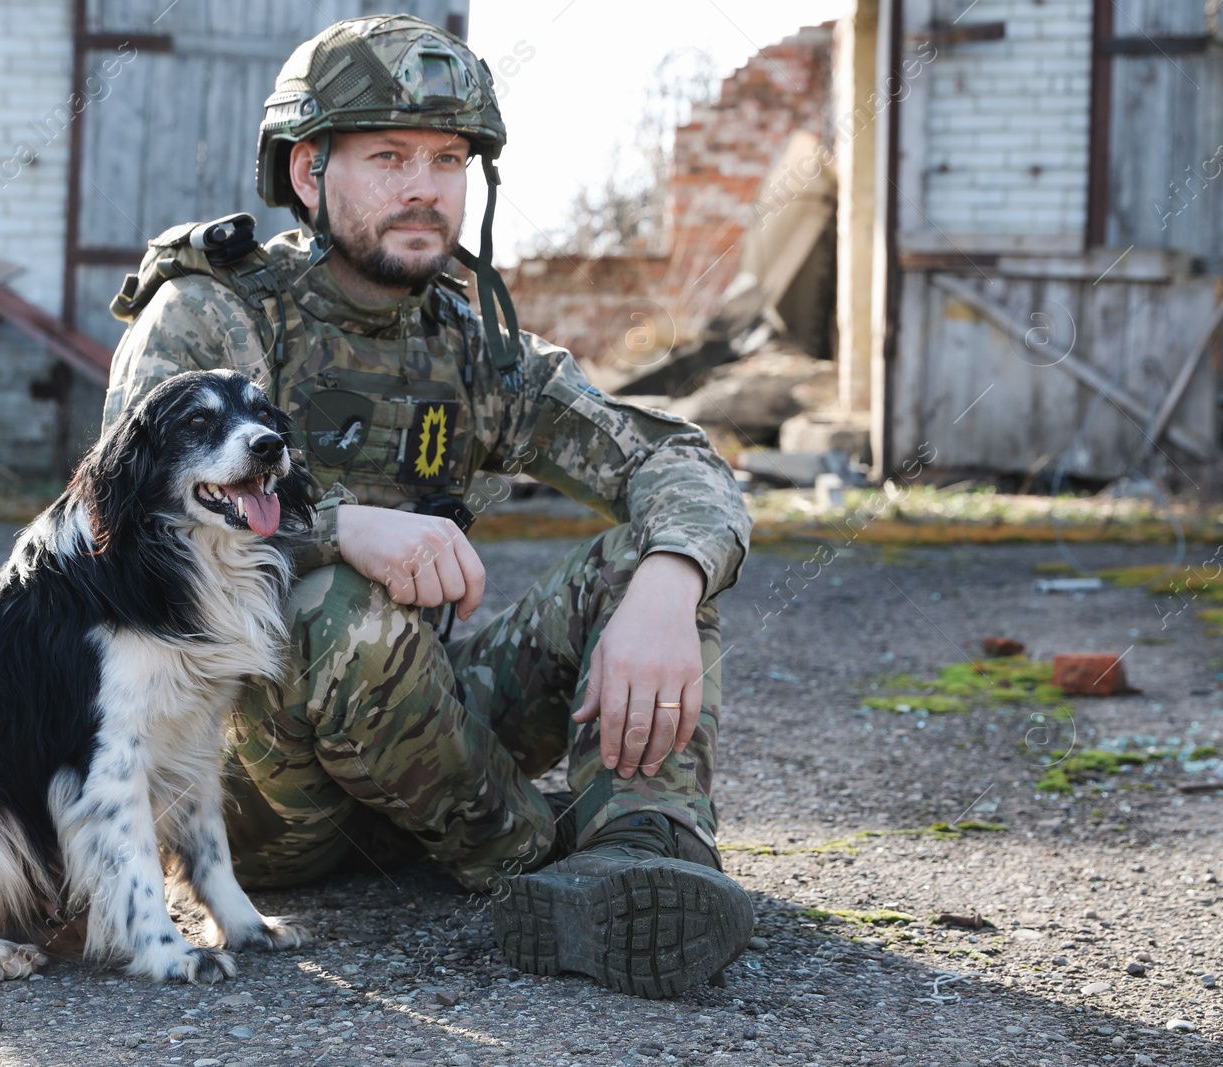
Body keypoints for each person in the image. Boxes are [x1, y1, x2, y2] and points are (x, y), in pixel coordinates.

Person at [101, 14, 754, 998]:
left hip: (417, 736)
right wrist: (333, 530)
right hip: (251, 783)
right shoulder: (214, 309)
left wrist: (669, 581)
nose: (424, 186)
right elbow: (136, 523)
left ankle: (639, 856)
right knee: (335, 604)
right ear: (309, 173)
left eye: (449, 158)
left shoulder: (469, 344)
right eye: (388, 156)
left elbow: (671, 454)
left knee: (643, 558)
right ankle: (532, 861)